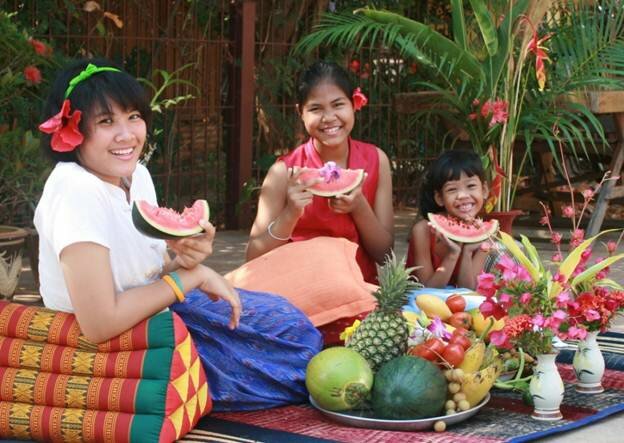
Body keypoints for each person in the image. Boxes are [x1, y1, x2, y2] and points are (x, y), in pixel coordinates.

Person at [34, 58, 322, 412]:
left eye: (133, 116)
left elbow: (145, 274)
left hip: (154, 315)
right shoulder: (74, 191)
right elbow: (99, 322)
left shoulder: (134, 175)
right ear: (73, 132)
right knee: (290, 369)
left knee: (289, 323)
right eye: (106, 121)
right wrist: (192, 276)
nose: (127, 135)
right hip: (111, 348)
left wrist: (182, 258)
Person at [246, 61, 394, 283]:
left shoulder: (377, 160)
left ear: (354, 104)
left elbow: (385, 256)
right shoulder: (282, 172)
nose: (329, 117)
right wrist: (291, 213)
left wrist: (360, 207)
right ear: (300, 112)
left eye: (338, 105)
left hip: (359, 292)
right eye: (316, 108)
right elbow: (252, 258)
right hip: (297, 293)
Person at [407, 150, 490, 289]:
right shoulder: (422, 231)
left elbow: (468, 290)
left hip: (461, 305)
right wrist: (453, 254)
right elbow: (427, 292)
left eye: (471, 186)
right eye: (452, 189)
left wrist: (467, 252)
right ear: (439, 198)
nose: (462, 195)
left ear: (485, 190)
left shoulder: (485, 234)